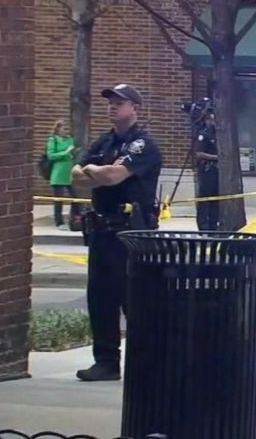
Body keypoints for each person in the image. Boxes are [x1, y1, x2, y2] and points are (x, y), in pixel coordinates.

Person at [72, 83, 162, 382]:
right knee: (100, 298)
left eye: (119, 103)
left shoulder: (142, 145)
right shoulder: (104, 142)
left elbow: (112, 176)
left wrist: (97, 172)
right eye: (110, 102)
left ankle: (145, 363)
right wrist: (97, 172)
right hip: (101, 231)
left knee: (134, 301)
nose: (112, 107)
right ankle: (106, 362)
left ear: (134, 107)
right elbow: (77, 176)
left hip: (131, 234)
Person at [46, 120, 79, 229]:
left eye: (67, 129)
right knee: (59, 199)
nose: (66, 131)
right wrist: (66, 152)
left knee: (75, 197)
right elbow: (51, 155)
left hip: (70, 172)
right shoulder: (53, 140)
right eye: (64, 129)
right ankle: (59, 222)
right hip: (59, 172)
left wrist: (74, 153)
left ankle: (74, 219)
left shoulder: (70, 139)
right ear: (58, 129)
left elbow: (72, 153)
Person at [195, 109, 219, 231]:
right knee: (205, 198)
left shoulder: (219, 134)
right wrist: (216, 157)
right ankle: (203, 225)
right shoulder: (203, 134)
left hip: (217, 171)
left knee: (216, 198)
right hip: (206, 169)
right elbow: (198, 154)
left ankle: (214, 224)